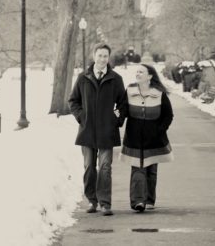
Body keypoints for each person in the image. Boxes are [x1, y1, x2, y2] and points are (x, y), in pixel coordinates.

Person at [69, 43, 127, 216]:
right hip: (87, 131)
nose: (103, 59)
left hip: (107, 131)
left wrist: (117, 119)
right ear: (94, 56)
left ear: (108, 58)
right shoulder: (83, 78)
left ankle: (105, 203)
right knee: (89, 167)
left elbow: (123, 103)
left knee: (105, 167)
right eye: (100, 55)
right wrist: (82, 117)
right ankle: (92, 200)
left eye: (105, 56)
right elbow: (73, 101)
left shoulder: (116, 79)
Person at [120, 64, 174, 212]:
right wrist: (118, 119)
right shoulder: (130, 90)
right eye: (137, 71)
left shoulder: (159, 93)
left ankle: (149, 200)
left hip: (154, 138)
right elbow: (123, 109)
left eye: (141, 72)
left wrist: (159, 130)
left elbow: (168, 115)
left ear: (149, 76)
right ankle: (138, 201)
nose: (137, 74)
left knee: (151, 168)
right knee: (138, 167)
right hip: (134, 138)